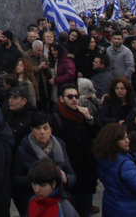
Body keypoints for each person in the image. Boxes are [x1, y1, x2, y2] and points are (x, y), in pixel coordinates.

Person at [12, 112, 77, 217]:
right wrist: (38, 181)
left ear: (51, 130)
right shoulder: (23, 150)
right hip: (35, 200)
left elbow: (72, 175)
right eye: (38, 128)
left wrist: (66, 179)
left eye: (45, 128)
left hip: (57, 199)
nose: (42, 132)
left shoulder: (60, 146)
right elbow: (16, 178)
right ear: (33, 131)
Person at [50, 83, 100, 217]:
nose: (74, 100)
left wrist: (89, 118)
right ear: (61, 99)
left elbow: (97, 135)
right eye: (70, 96)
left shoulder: (82, 116)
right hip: (69, 176)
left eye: (76, 96)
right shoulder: (56, 119)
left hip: (86, 176)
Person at [93, 122, 136, 217]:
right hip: (129, 210)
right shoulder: (125, 164)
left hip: (110, 205)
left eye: (127, 137)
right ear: (113, 141)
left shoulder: (103, 157)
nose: (127, 141)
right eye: (122, 139)